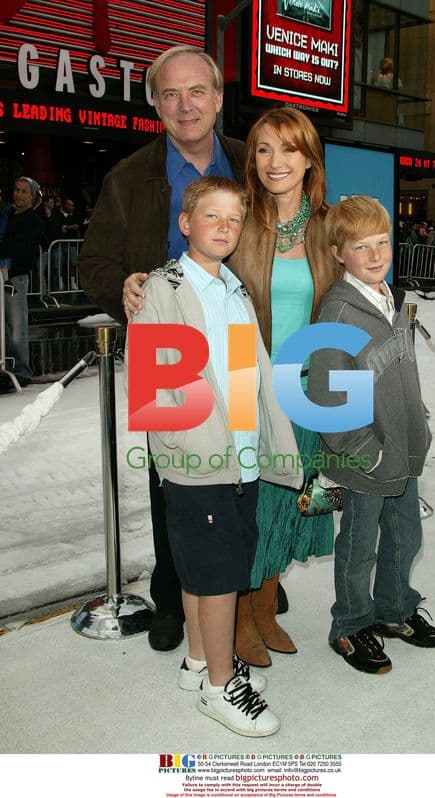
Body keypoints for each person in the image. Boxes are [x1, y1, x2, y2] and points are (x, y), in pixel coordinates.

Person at [78, 45, 245, 652]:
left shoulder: (251, 165)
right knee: (173, 481)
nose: (185, 105)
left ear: (219, 98)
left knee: (243, 470)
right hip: (163, 352)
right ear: (154, 104)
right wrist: (117, 283)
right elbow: (92, 262)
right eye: (170, 94)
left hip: (237, 340)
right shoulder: (127, 177)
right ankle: (173, 595)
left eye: (197, 91)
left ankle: (241, 589)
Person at [126, 175, 302, 736]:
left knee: (207, 567)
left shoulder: (234, 288)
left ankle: (199, 660)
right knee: (219, 571)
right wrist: (184, 454)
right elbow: (154, 385)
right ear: (185, 224)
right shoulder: (164, 288)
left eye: (233, 218)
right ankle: (221, 687)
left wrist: (269, 442)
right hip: (198, 461)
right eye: (211, 216)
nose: (224, 227)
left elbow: (252, 373)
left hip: (240, 457)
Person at [308, 195, 435, 675]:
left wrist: (416, 429)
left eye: (382, 242)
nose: (375, 254)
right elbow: (329, 403)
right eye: (361, 246)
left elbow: (403, 376)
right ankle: (349, 625)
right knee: (359, 546)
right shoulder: (339, 316)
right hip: (364, 457)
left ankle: (395, 609)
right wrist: (368, 452)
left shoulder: (394, 302)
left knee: (406, 536)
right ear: (338, 253)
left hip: (402, 450)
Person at [228, 107, 340, 666]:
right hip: (250, 386)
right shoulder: (240, 220)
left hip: (307, 391)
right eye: (264, 149)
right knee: (252, 505)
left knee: (293, 505)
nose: (276, 162)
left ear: (309, 159)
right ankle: (242, 616)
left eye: (288, 149)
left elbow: (345, 311)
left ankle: (267, 607)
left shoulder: (328, 227)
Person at [0, 176, 43, 392]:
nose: (19, 194)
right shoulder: (6, 215)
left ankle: (22, 370)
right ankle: (6, 366)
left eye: (24, 191)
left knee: (17, 327)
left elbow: (23, 249)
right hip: (1, 275)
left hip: (16, 277)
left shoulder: (32, 220)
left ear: (32, 196)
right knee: (3, 326)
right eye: (17, 190)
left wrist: (5, 248)